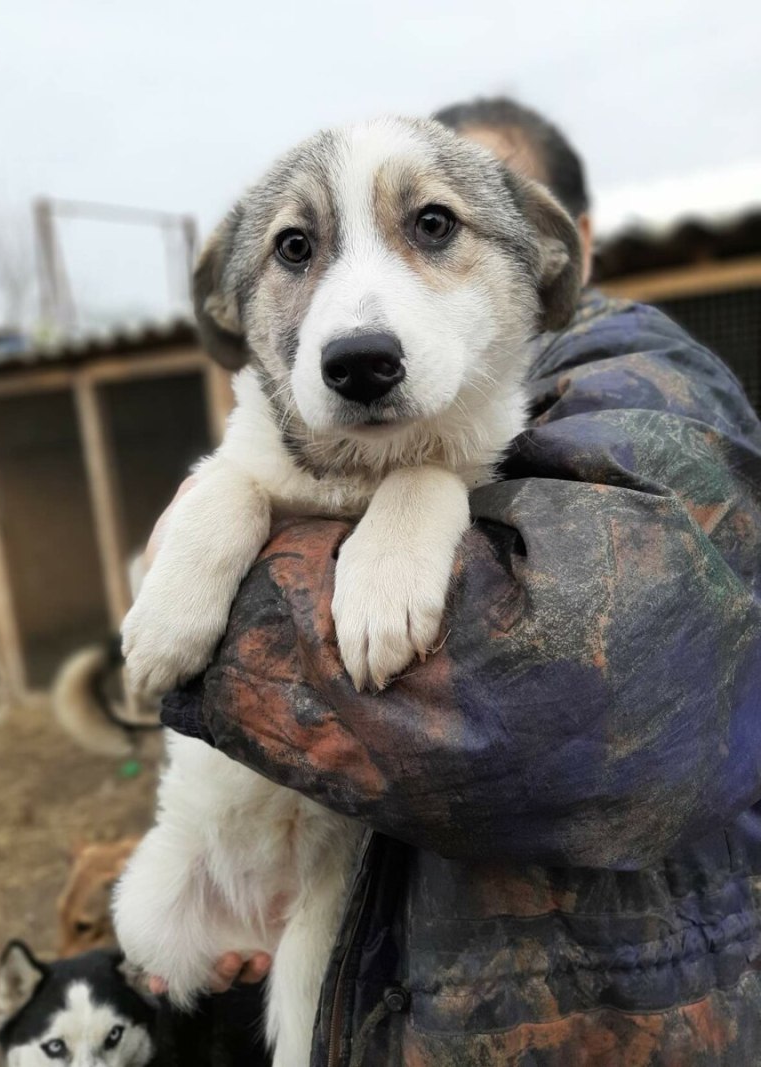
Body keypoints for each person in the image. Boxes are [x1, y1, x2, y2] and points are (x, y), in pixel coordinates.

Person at [151, 98, 761, 1065]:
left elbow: (593, 683)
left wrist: (412, 504)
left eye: (433, 224)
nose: (366, 305)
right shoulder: (290, 421)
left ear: (561, 250)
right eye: (299, 246)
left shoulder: (643, 375)